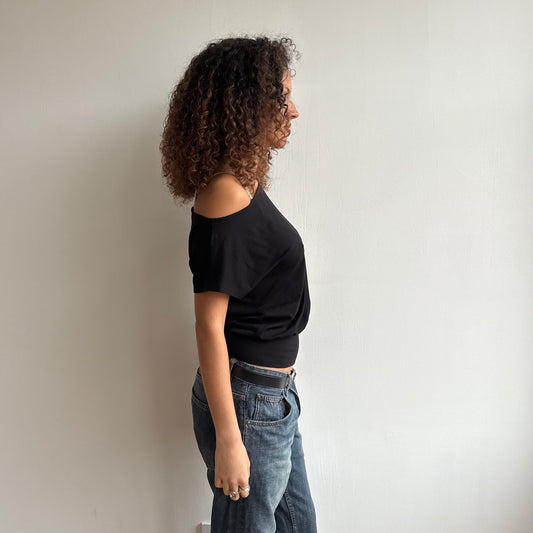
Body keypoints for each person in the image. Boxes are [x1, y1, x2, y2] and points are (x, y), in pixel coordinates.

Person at [160, 35, 317, 533]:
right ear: (248, 104)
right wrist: (230, 440)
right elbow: (208, 325)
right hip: (250, 403)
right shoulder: (224, 193)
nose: (293, 110)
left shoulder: (244, 180)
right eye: (283, 97)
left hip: (272, 399)